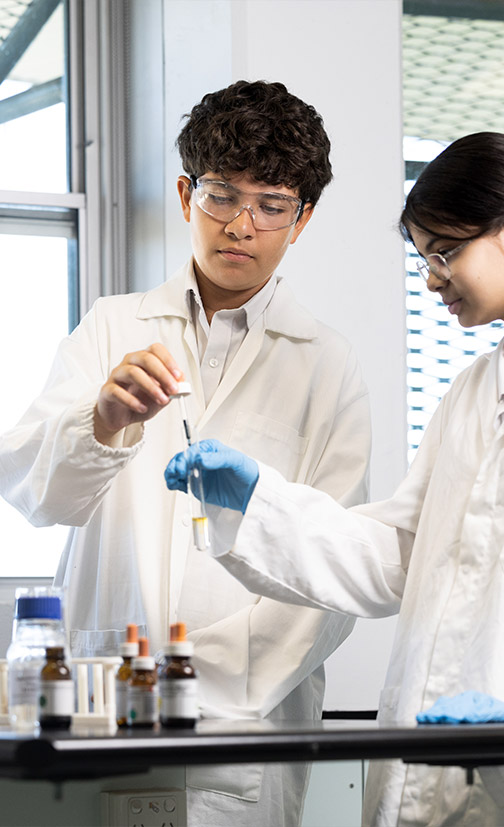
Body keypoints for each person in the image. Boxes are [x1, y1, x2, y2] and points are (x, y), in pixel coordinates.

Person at [165, 132, 504, 827]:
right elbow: (399, 552)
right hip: (425, 782)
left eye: (444, 253)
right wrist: (261, 501)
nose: (432, 280)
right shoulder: (474, 390)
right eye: (424, 259)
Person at [0, 80, 371, 826]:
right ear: (183, 194)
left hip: (245, 741)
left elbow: (329, 583)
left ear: (301, 220)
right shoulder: (111, 328)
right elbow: (37, 494)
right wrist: (100, 421)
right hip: (100, 723)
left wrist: (186, 684)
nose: (241, 225)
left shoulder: (329, 367)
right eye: (221, 195)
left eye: (271, 204)